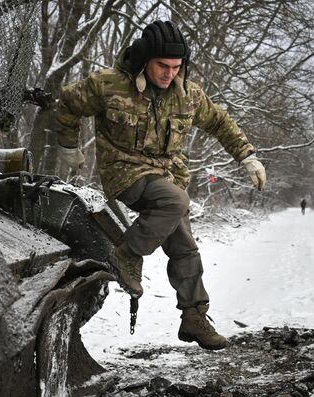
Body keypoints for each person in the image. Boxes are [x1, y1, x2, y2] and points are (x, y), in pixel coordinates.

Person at [55, 20, 266, 350]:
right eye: (162, 66)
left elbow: (221, 123)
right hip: (125, 173)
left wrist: (247, 156)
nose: (169, 74)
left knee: (184, 246)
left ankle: (194, 317)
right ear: (144, 60)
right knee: (175, 202)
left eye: (176, 67)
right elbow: (68, 103)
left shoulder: (188, 95)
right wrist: (68, 146)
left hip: (168, 177)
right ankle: (125, 254)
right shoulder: (109, 85)